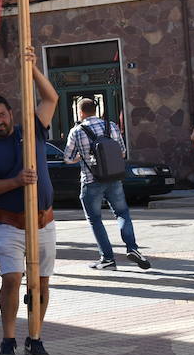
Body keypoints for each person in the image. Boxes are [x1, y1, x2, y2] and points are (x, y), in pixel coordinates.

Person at [0, 62, 59, 355]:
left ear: (11, 114)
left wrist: (32, 69)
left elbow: (51, 98)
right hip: (11, 224)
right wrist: (14, 181)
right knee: (11, 280)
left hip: (44, 222)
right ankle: (8, 339)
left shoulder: (31, 131)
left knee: (42, 283)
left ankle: (35, 336)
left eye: (3, 115)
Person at [64, 98, 151, 272]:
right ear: (95, 110)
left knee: (95, 220)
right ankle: (132, 248)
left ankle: (108, 259)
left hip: (91, 180)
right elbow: (123, 152)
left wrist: (82, 157)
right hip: (114, 177)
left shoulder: (76, 131)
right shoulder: (110, 126)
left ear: (80, 112)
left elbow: (67, 158)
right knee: (122, 213)